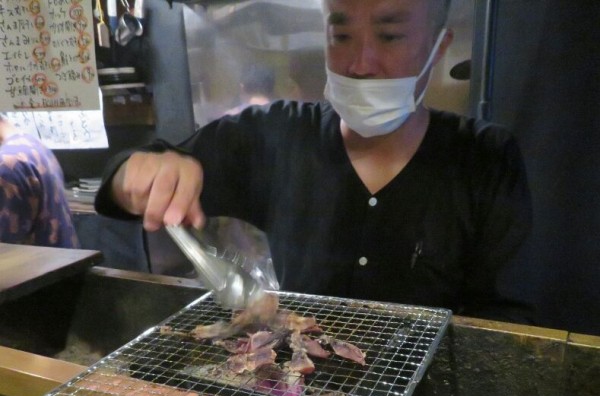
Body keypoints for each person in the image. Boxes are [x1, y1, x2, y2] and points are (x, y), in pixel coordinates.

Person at [96, 0, 537, 324]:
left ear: (439, 48)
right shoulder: (275, 133)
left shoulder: (484, 159)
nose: (360, 64)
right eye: (341, 36)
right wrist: (142, 171)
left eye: (390, 36)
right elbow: (130, 182)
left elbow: (503, 317)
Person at [0, 113, 80, 248]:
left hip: (35, 266)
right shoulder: (30, 143)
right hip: (63, 262)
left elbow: (4, 247)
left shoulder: (6, 164)